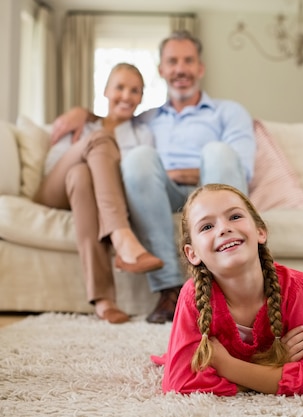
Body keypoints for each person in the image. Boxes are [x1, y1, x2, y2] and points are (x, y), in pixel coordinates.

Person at [49, 30, 256, 324]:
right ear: (162, 70)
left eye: (188, 61)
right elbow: (110, 122)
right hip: (165, 195)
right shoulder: (145, 119)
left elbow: (241, 170)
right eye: (173, 61)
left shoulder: (228, 112)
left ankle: (223, 282)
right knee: (139, 158)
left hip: (213, 188)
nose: (180, 69)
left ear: (200, 68)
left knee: (217, 151)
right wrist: (82, 112)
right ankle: (170, 289)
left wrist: (190, 172)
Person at [150, 183, 303, 395]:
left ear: (260, 231)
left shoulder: (298, 287)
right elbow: (180, 384)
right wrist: (273, 368)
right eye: (206, 227)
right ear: (192, 253)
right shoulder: (193, 295)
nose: (224, 228)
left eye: (234, 217)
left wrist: (226, 366)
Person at [34, 63, 164, 324]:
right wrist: (92, 140)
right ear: (105, 91)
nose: (126, 96)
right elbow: (53, 166)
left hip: (88, 195)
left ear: (141, 98)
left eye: (135, 91)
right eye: (120, 87)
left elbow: (138, 181)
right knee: (99, 143)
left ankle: (104, 301)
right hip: (55, 191)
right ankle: (122, 236)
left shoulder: (143, 135)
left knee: (81, 176)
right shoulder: (82, 124)